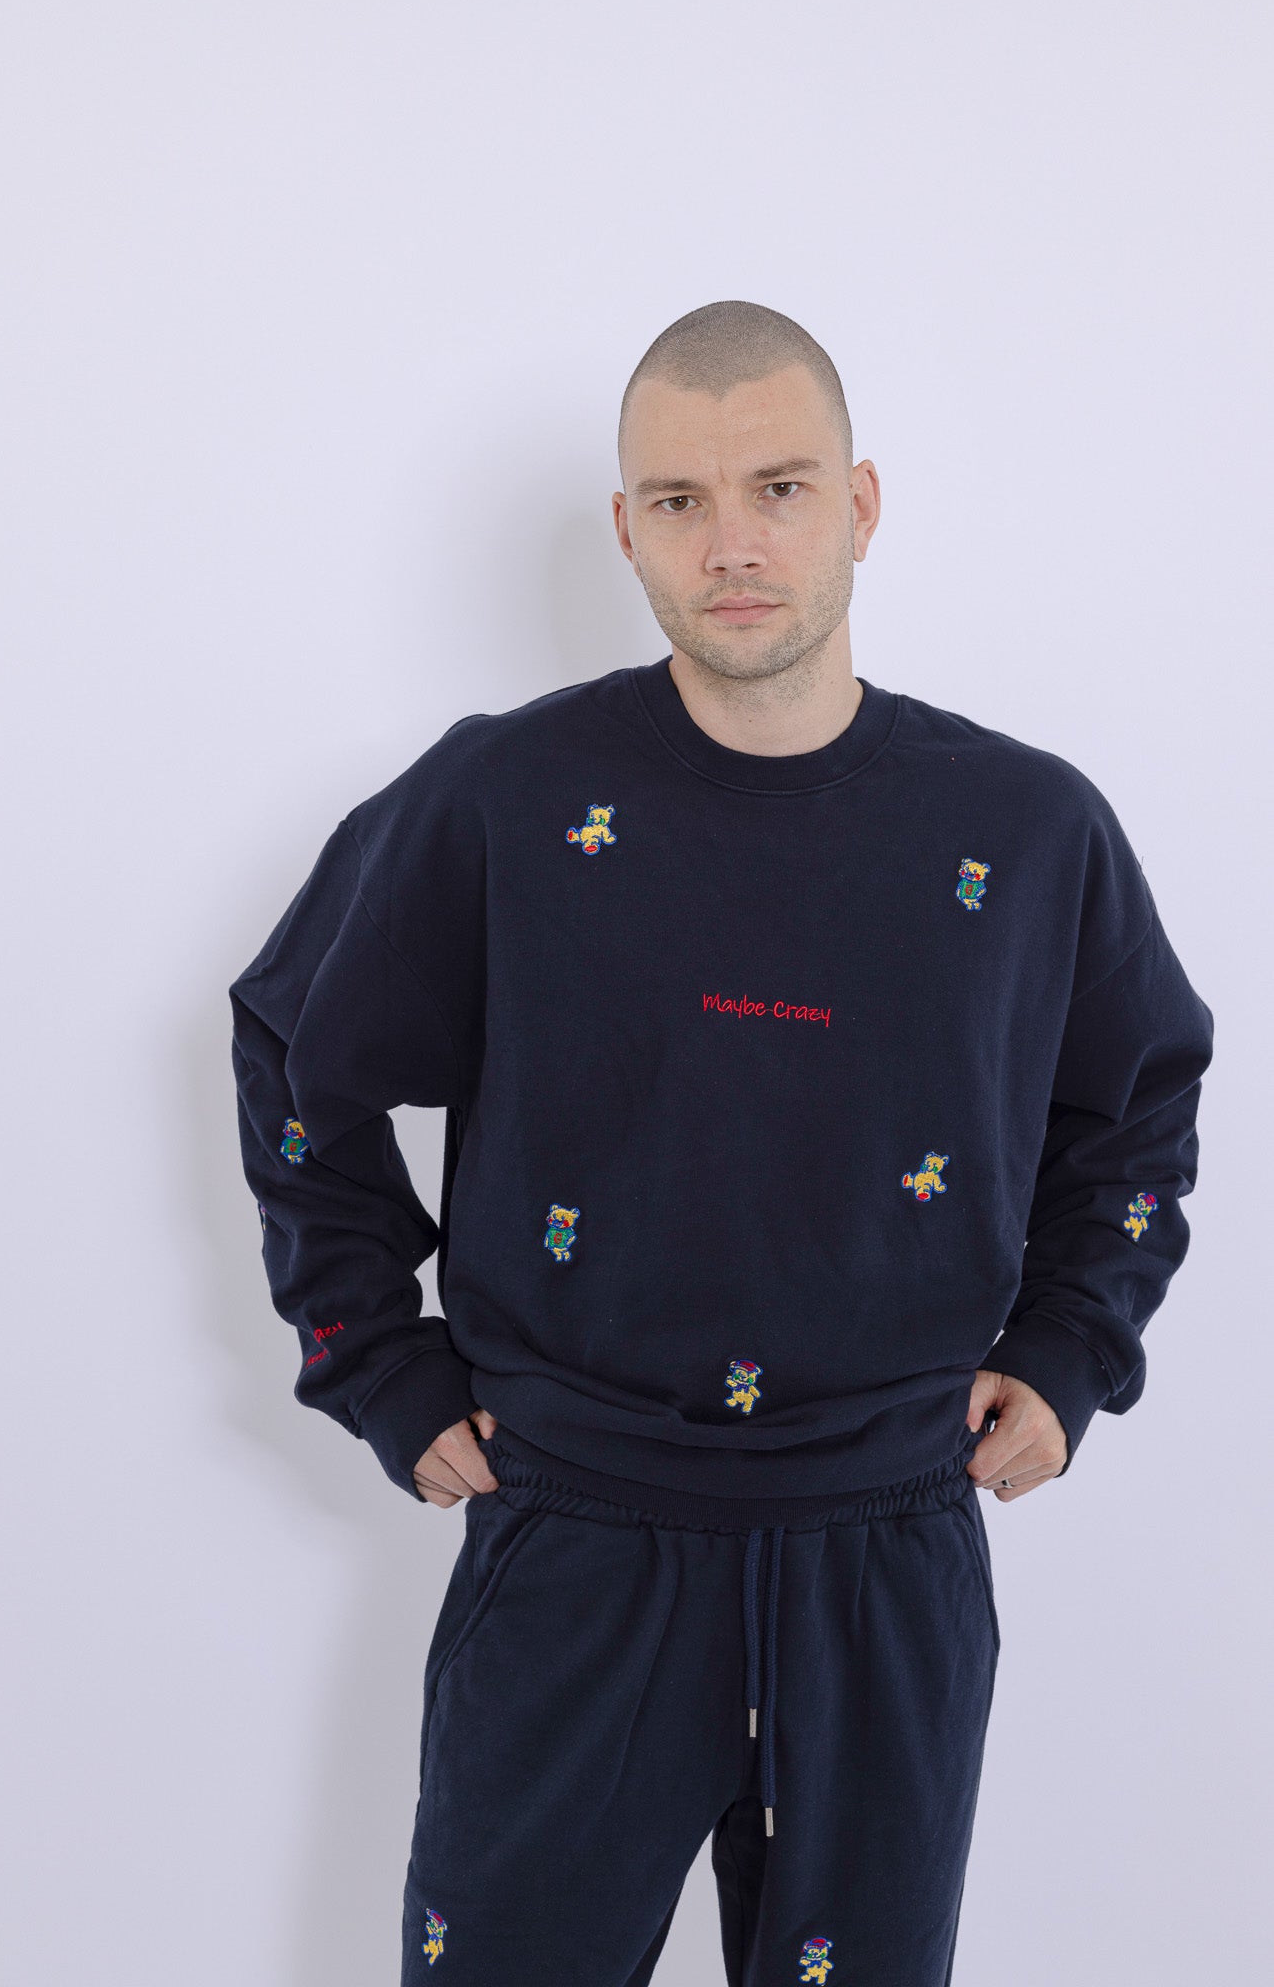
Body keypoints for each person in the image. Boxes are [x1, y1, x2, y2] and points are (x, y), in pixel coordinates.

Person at [229, 300, 1214, 1985]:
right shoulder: (503, 798)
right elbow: (291, 1044)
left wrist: (1070, 1348)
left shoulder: (1023, 826)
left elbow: (1138, 1102)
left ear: (861, 505)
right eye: (678, 501)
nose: (732, 543)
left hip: (888, 1540)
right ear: (625, 529)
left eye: (779, 487)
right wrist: (375, 1359)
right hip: (574, 1532)